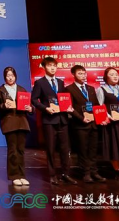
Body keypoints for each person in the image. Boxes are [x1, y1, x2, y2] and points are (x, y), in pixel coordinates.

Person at [31, 56, 76, 185]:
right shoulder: (40, 83)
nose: (52, 68)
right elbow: (34, 100)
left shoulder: (60, 82)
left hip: (62, 119)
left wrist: (68, 107)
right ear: (44, 67)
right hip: (49, 120)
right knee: (50, 149)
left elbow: (63, 98)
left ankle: (65, 173)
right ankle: (52, 175)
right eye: (50, 65)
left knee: (65, 149)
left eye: (54, 66)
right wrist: (45, 108)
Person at [66, 64, 104, 183]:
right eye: (80, 73)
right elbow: (70, 108)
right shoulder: (69, 89)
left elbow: (96, 105)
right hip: (80, 125)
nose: (83, 75)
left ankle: (94, 171)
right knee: (83, 150)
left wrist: (101, 118)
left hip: (93, 123)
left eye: (84, 73)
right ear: (73, 75)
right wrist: (81, 118)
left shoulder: (91, 88)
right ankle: (85, 173)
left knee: (93, 149)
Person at [0, 66, 31, 186]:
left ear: (15, 76)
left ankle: (22, 175)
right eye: (8, 75)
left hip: (22, 122)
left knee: (21, 150)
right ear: (5, 77)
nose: (10, 78)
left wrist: (30, 108)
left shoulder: (22, 89)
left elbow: (30, 105)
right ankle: (14, 176)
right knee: (12, 150)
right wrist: (4, 106)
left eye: (12, 75)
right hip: (9, 123)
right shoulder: (1, 90)